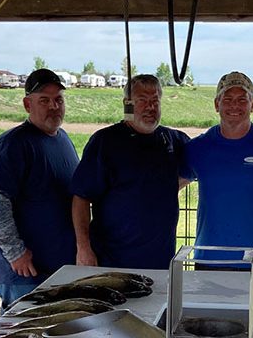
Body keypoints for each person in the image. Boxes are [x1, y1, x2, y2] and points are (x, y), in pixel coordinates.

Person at [0, 68, 79, 311]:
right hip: (26, 273)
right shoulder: (13, 144)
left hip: (59, 268)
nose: (54, 107)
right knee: (25, 329)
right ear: (28, 104)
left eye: (58, 100)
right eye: (44, 100)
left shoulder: (63, 140)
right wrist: (15, 252)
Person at [71, 74, 192, 270]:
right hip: (112, 261)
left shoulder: (173, 140)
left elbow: (199, 166)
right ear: (127, 104)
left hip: (161, 262)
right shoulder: (105, 142)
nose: (150, 107)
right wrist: (83, 248)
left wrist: (170, 187)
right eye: (142, 100)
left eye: (155, 101)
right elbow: (81, 198)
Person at [185, 71, 253, 271]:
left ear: (252, 104)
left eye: (242, 99)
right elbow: (169, 187)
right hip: (208, 257)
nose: (235, 105)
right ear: (216, 104)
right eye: (227, 99)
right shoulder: (197, 147)